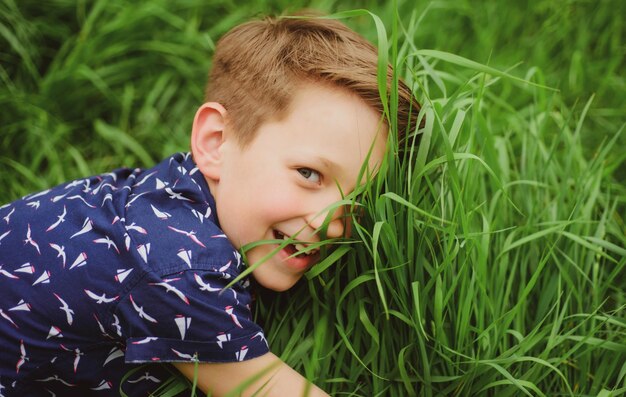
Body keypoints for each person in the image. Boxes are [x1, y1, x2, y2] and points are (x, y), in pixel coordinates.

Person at [0, 12, 419, 397]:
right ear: (215, 142)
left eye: (359, 199)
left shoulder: (174, 195)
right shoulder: (180, 268)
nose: (332, 222)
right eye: (309, 174)